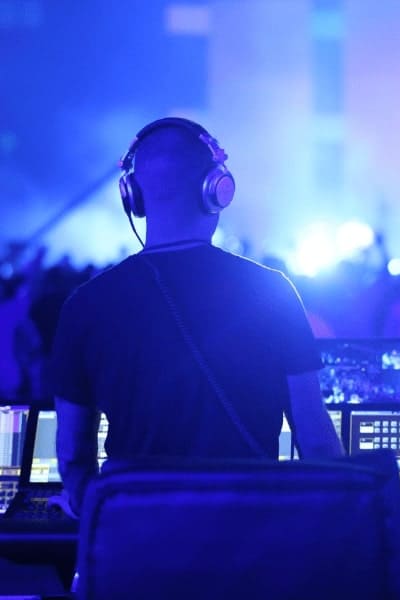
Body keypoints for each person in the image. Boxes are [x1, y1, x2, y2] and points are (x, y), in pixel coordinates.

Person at [50, 117, 343, 517]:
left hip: (135, 544)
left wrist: (90, 510)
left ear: (133, 196)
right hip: (250, 539)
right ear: (217, 189)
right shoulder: (271, 290)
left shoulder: (85, 304)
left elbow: (71, 452)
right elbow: (316, 439)